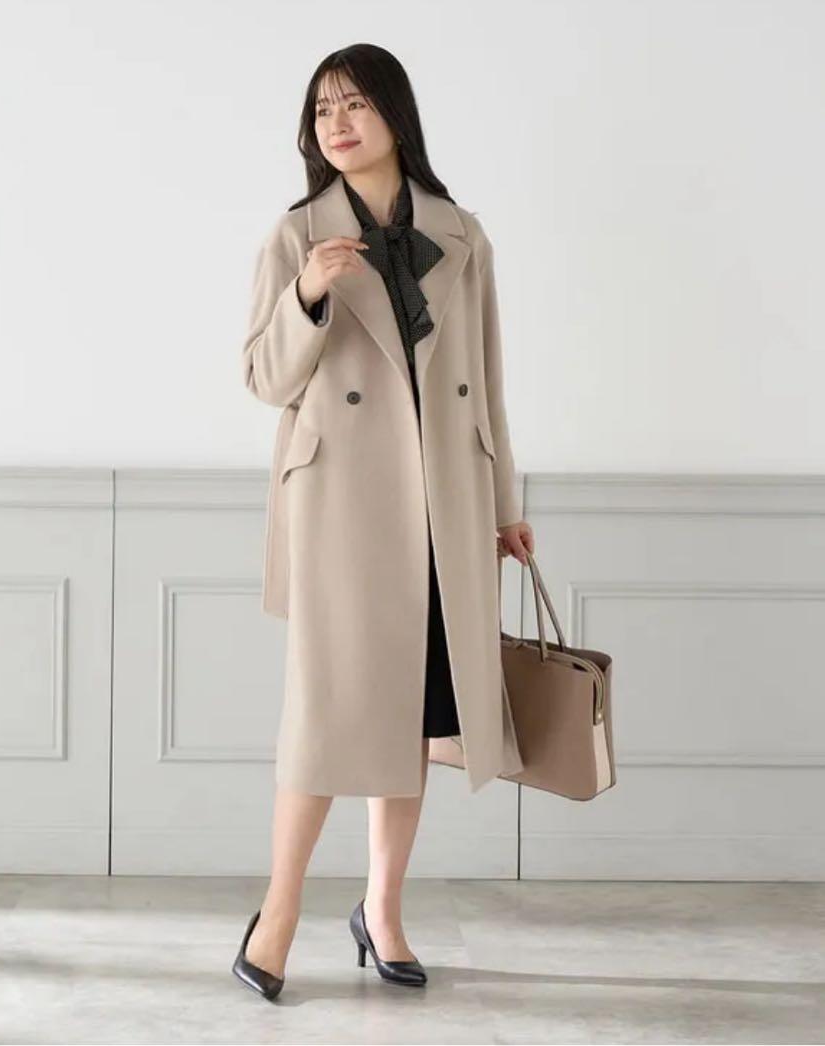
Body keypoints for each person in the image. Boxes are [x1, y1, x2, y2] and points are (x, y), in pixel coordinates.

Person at [233, 44, 535, 1002]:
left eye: (355, 104)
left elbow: (487, 380)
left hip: (446, 500)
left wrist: (506, 507)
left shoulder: (460, 234)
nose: (336, 123)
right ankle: (278, 914)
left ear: (395, 115)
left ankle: (383, 908)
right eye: (322, 109)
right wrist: (308, 294)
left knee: (414, 717)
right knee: (327, 715)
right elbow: (261, 377)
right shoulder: (297, 235)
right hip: (341, 505)